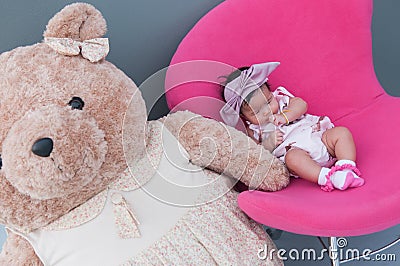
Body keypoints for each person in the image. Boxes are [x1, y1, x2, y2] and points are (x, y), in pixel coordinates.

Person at [220, 62, 365, 191]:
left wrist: (285, 116)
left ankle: (347, 168)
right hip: (298, 153)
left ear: (271, 93)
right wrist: (269, 142)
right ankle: (327, 177)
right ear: (244, 117)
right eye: (257, 111)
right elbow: (257, 151)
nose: (267, 111)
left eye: (269, 101)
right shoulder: (253, 130)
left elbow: (302, 104)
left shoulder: (282, 98)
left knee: (341, 133)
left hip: (320, 138)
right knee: (293, 159)